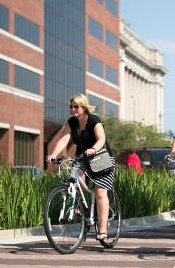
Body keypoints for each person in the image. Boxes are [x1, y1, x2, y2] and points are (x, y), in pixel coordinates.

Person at [46, 93, 115, 242]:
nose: (72, 109)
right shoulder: (71, 122)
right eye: (71, 106)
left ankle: (103, 229)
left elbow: (101, 138)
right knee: (76, 175)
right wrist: (53, 154)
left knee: (100, 191)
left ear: (83, 107)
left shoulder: (93, 120)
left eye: (76, 106)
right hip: (83, 157)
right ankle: (80, 207)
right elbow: (64, 139)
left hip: (101, 157)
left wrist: (94, 149)